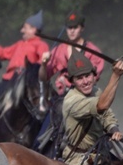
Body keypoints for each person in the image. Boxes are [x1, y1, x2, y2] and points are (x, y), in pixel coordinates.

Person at [34, 11, 105, 153]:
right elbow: (43, 77)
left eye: (75, 27)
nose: (71, 31)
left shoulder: (93, 51)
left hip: (85, 98)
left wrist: (73, 84)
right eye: (69, 27)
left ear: (82, 28)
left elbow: (92, 80)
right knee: (39, 140)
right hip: (61, 99)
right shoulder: (58, 50)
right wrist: (43, 64)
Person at [0, 10, 49, 126]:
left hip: (23, 82)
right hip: (8, 81)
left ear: (34, 29)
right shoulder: (20, 44)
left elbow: (41, 66)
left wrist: (45, 59)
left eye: (25, 28)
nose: (22, 30)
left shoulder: (41, 45)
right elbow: (1, 53)